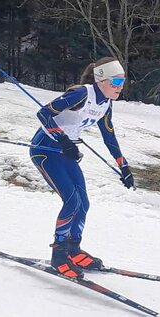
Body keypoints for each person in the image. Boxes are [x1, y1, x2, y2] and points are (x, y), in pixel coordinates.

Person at [29, 57, 135, 278]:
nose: (120, 87)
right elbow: (44, 113)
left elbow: (109, 135)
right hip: (46, 149)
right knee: (72, 201)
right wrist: (64, 140)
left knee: (83, 203)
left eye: (122, 81)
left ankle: (73, 249)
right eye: (115, 82)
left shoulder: (105, 102)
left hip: (66, 153)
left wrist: (123, 166)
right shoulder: (82, 94)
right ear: (101, 80)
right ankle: (59, 256)